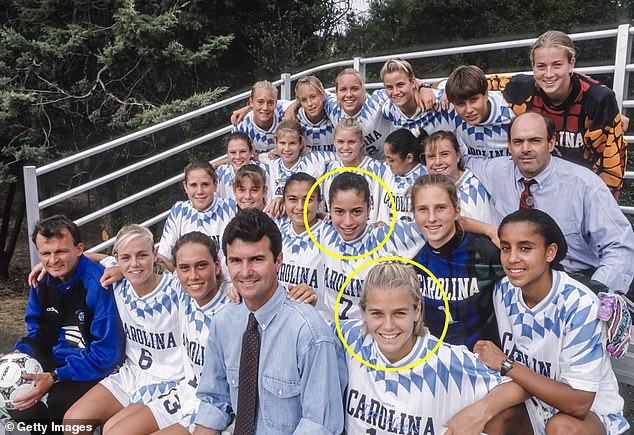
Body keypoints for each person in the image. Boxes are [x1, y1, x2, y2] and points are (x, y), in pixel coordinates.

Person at [473, 208, 629, 435]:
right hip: (533, 403)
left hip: (590, 415)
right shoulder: (503, 290)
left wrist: (505, 364)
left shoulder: (579, 304)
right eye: (506, 248)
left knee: (562, 428)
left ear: (550, 252)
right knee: (491, 419)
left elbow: (579, 403)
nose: (512, 258)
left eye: (525, 248)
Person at [193, 208, 346, 434]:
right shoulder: (223, 322)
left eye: (256, 259)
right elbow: (214, 401)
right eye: (236, 260)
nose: (245, 272)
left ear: (278, 261)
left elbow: (318, 425)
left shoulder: (309, 333)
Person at [339, 262, 527, 435]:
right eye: (377, 314)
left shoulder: (448, 361)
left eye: (399, 313)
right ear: (363, 312)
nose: (388, 326)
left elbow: (521, 386)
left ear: (417, 310)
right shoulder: (351, 338)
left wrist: (479, 412)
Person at [463, 112, 634, 294]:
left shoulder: (584, 185)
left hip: (575, 279)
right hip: (519, 279)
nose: (525, 148)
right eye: (518, 142)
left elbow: (620, 245)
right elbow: (460, 159)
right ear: (509, 146)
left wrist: (597, 292)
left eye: (535, 141)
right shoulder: (497, 171)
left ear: (551, 143)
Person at [99, 232, 230, 435]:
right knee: (111, 431)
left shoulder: (233, 305)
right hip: (185, 392)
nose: (193, 275)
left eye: (201, 266)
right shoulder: (182, 290)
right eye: (184, 268)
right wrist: (120, 270)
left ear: (218, 266)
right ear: (176, 270)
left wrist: (234, 286)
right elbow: (106, 259)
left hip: (214, 404)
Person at [8, 215, 123, 434]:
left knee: (59, 402)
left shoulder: (99, 283)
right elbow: (39, 332)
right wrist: (18, 356)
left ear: (79, 249)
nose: (53, 261)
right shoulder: (41, 281)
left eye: (60, 251)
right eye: (45, 254)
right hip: (60, 360)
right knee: (17, 395)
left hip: (94, 366)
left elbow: (107, 354)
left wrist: (55, 377)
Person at [64, 224, 182, 433]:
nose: (134, 263)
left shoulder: (177, 288)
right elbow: (92, 257)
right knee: (73, 423)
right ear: (117, 258)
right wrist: (52, 264)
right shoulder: (118, 283)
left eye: (142, 255)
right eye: (126, 257)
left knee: (113, 431)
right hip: (132, 373)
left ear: (155, 254)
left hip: (172, 380)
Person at [497, 30, 628, 199]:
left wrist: (600, 205)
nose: (549, 74)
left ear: (571, 63)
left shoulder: (597, 99)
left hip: (582, 188)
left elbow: (611, 167)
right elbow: (482, 85)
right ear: (533, 67)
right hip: (539, 184)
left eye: (557, 65)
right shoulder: (522, 88)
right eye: (541, 66)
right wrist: (450, 90)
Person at [410, 173, 505, 350]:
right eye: (423, 209)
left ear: (456, 211)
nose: (431, 218)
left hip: (480, 361)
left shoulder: (484, 252)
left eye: (440, 208)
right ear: (414, 214)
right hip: (433, 359)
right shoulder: (412, 254)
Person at [320, 172, 426, 321]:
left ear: (369, 207)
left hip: (372, 339)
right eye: (339, 211)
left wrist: (468, 225)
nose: (348, 221)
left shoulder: (388, 238)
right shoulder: (325, 233)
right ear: (329, 208)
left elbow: (437, 222)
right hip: (333, 335)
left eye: (356, 211)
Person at [157, 160, 237, 272]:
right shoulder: (179, 211)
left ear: (215, 184)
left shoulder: (232, 207)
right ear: (185, 187)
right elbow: (164, 257)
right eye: (193, 185)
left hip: (229, 285)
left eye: (205, 184)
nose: (199, 191)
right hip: (190, 285)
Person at [276, 172, 329, 320]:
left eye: (308, 200)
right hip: (280, 323)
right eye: (292, 199)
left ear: (319, 202)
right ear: (284, 201)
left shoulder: (332, 237)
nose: (300, 207)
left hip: (318, 323)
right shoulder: (276, 234)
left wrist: (316, 296)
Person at [424, 130, 497, 224]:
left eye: (444, 154)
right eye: (431, 157)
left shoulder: (480, 181)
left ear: (458, 155)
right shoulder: (425, 191)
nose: (438, 162)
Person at [442, 64, 515, 158]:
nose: (469, 110)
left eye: (474, 100)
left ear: (486, 94)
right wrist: (422, 87)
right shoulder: (448, 105)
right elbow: (435, 86)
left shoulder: (511, 110)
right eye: (461, 104)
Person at [323, 117, 385, 222]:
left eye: (351, 142)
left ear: (361, 142)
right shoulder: (330, 170)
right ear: (334, 142)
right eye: (340, 142)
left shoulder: (378, 170)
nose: (345, 147)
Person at [266, 119, 335, 199]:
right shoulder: (271, 164)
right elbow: (251, 156)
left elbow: (343, 156)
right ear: (275, 142)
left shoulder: (315, 158)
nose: (287, 148)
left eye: (292, 143)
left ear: (301, 142)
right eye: (282, 143)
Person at [377, 128, 428, 223]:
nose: (387, 163)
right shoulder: (388, 171)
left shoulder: (427, 179)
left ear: (409, 158)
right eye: (386, 158)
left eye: (391, 160)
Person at [232, 80, 290, 155]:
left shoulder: (284, 110)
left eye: (270, 102)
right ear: (251, 102)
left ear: (276, 103)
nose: (265, 107)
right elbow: (237, 156)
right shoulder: (241, 125)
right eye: (260, 102)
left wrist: (248, 108)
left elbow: (302, 100)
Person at [294, 76, 335, 152]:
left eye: (313, 97)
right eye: (304, 100)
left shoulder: (335, 116)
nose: (309, 103)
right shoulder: (295, 118)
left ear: (322, 95)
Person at [214, 132, 257, 199]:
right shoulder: (220, 173)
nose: (238, 157)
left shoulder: (264, 170)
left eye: (243, 151)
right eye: (232, 152)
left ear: (251, 151)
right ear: (227, 153)